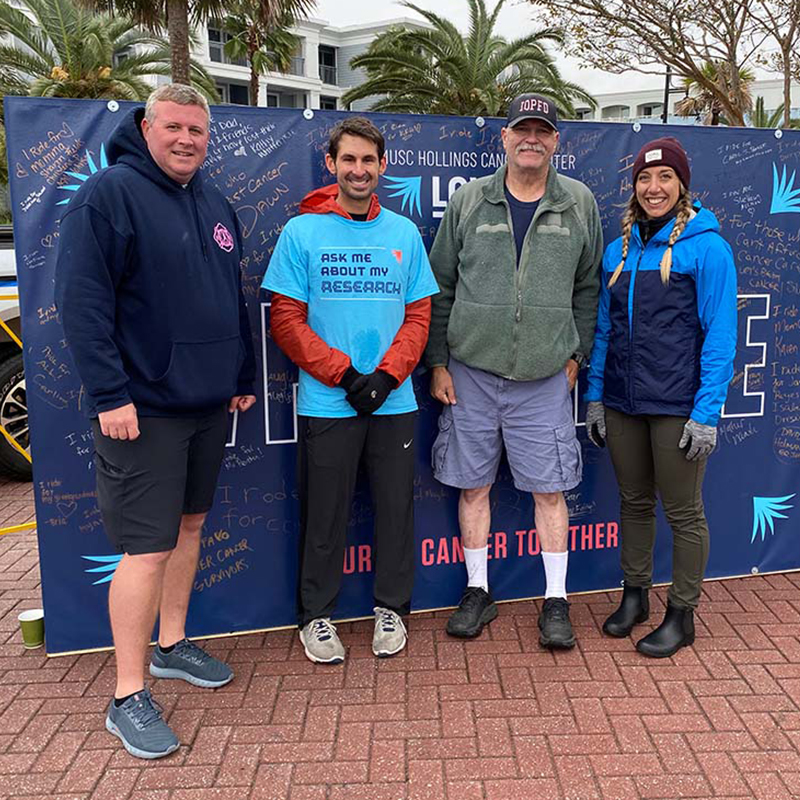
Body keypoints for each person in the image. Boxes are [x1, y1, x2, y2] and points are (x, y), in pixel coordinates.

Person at [55, 84, 257, 758]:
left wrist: (241, 376)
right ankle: (127, 694)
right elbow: (81, 306)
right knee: (146, 549)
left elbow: (233, 297)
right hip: (140, 411)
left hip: (206, 403)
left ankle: (171, 645)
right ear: (146, 127)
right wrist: (109, 395)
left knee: (191, 527)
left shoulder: (215, 200)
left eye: (197, 131)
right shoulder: (106, 196)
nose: (186, 141)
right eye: (173, 128)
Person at [425, 93, 602, 648]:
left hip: (546, 378)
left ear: (556, 140)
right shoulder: (470, 202)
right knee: (473, 485)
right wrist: (436, 363)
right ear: (503, 138)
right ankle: (478, 590)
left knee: (550, 492)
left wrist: (576, 357)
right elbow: (440, 287)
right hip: (471, 372)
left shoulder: (579, 203)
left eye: (542, 130)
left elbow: (589, 288)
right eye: (521, 129)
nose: (532, 138)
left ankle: (555, 599)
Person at [262, 117, 439, 665]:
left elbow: (419, 314)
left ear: (382, 167)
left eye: (368, 161)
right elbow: (286, 319)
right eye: (349, 160)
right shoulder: (302, 232)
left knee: (394, 511)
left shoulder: (404, 233)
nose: (358, 170)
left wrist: (387, 376)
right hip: (326, 401)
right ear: (332, 164)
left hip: (395, 399)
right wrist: (344, 374)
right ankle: (317, 617)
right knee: (325, 515)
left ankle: (392, 609)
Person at [584, 136, 737, 658]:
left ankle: (681, 614)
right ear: (634, 187)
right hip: (625, 403)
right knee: (633, 502)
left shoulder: (708, 247)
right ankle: (635, 597)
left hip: (677, 406)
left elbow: (720, 335)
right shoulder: (618, 249)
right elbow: (604, 331)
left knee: (684, 511)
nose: (654, 188)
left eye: (665, 178)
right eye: (645, 179)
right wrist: (596, 397)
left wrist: (706, 413)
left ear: (682, 185)